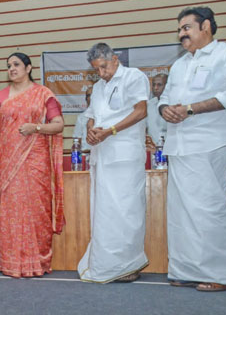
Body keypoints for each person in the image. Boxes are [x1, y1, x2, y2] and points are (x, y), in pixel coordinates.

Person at [159, 6, 226, 292]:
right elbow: (166, 98)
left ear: (206, 26)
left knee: (210, 208)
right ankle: (185, 270)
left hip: (210, 142)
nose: (181, 33)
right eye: (180, 29)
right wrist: (165, 109)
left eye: (186, 27)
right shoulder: (180, 64)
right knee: (181, 211)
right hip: (178, 146)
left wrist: (190, 109)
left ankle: (220, 273)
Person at [0, 52, 65, 278]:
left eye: (16, 64)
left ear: (29, 68)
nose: (11, 68)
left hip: (36, 163)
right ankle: (12, 263)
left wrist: (36, 128)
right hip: (9, 164)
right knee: (12, 213)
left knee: (37, 211)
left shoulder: (43, 94)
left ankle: (38, 262)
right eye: (8, 65)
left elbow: (58, 124)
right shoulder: (1, 96)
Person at [77, 43, 150, 283]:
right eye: (97, 70)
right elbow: (91, 116)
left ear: (115, 59)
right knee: (105, 212)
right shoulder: (98, 87)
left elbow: (141, 111)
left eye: (104, 67)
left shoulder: (134, 77)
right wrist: (91, 131)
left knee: (127, 211)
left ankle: (128, 264)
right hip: (102, 156)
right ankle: (107, 262)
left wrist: (111, 130)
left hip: (126, 156)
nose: (101, 73)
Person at [146, 73, 168, 149]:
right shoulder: (148, 105)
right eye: (154, 85)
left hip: (172, 149)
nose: (155, 88)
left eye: (159, 85)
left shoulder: (176, 105)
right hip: (153, 150)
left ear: (167, 86)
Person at [72, 85, 93, 152]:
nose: (91, 97)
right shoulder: (81, 117)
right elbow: (77, 139)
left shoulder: (106, 115)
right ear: (86, 99)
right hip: (86, 153)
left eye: (93, 94)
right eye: (89, 95)